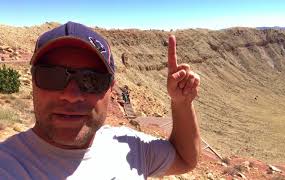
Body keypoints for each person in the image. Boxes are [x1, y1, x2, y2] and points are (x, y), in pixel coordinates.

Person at [0, 21, 200, 179]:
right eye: (52, 76)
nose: (71, 95)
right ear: (32, 83)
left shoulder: (133, 148)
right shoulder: (8, 165)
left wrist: (181, 103)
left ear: (111, 89)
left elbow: (185, 159)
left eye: (91, 80)